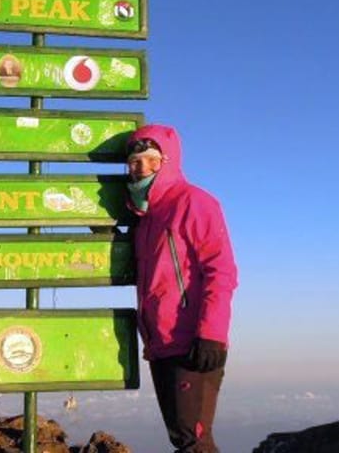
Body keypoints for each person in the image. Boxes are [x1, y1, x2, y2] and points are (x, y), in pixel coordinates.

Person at [124, 124, 238, 453]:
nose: (142, 167)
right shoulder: (147, 218)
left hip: (193, 343)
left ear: (168, 162)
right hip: (161, 344)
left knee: (194, 442)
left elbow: (221, 270)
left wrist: (212, 334)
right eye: (134, 161)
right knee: (183, 439)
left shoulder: (194, 202)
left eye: (151, 159)